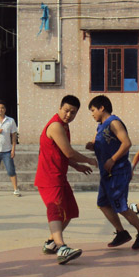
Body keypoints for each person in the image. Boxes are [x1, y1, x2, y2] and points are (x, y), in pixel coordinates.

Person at [34, 95, 97, 265]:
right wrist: (89, 160)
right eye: (66, 110)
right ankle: (62, 248)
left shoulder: (64, 126)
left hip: (59, 176)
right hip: (49, 177)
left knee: (69, 211)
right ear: (60, 108)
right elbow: (68, 152)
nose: (69, 114)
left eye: (73, 112)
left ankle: (51, 242)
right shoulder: (55, 126)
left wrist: (77, 166)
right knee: (55, 211)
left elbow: (62, 154)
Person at [87, 95, 139, 250]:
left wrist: (113, 159)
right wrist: (92, 146)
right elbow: (103, 145)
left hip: (118, 171)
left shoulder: (113, 122)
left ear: (102, 108)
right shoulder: (101, 127)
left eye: (93, 110)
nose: (92, 114)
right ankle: (121, 232)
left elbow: (126, 143)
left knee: (120, 206)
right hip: (107, 173)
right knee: (103, 204)